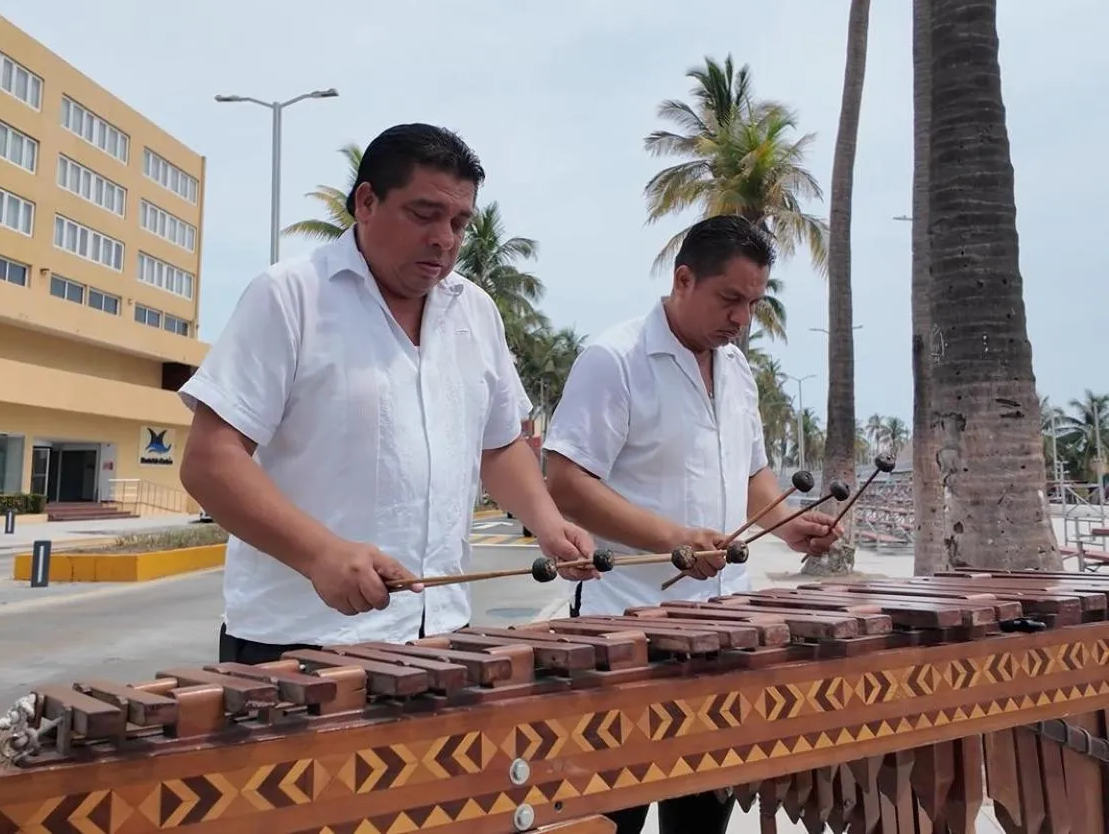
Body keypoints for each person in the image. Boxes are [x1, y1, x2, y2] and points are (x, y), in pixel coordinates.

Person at [178, 122, 597, 665]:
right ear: (367, 202)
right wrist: (320, 554)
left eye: (459, 222)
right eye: (424, 215)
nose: (444, 238)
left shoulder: (475, 312)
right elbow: (210, 462)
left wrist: (546, 523)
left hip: (442, 631)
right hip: (300, 639)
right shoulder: (290, 296)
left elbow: (498, 446)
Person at [542, 214, 843, 834]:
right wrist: (673, 541)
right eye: (730, 299)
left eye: (754, 303)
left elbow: (752, 473)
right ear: (683, 279)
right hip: (624, 630)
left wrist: (786, 523)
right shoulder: (614, 358)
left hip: (722, 625)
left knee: (702, 816)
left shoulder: (737, 371)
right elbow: (566, 483)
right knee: (612, 811)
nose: (742, 318)